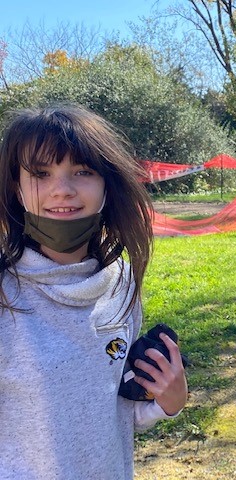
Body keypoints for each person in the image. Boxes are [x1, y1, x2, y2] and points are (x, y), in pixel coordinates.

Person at [0, 104, 189, 479]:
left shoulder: (122, 282)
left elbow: (112, 415)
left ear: (107, 185)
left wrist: (169, 401)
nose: (62, 190)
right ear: (17, 189)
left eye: (83, 171)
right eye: (40, 174)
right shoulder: (5, 296)